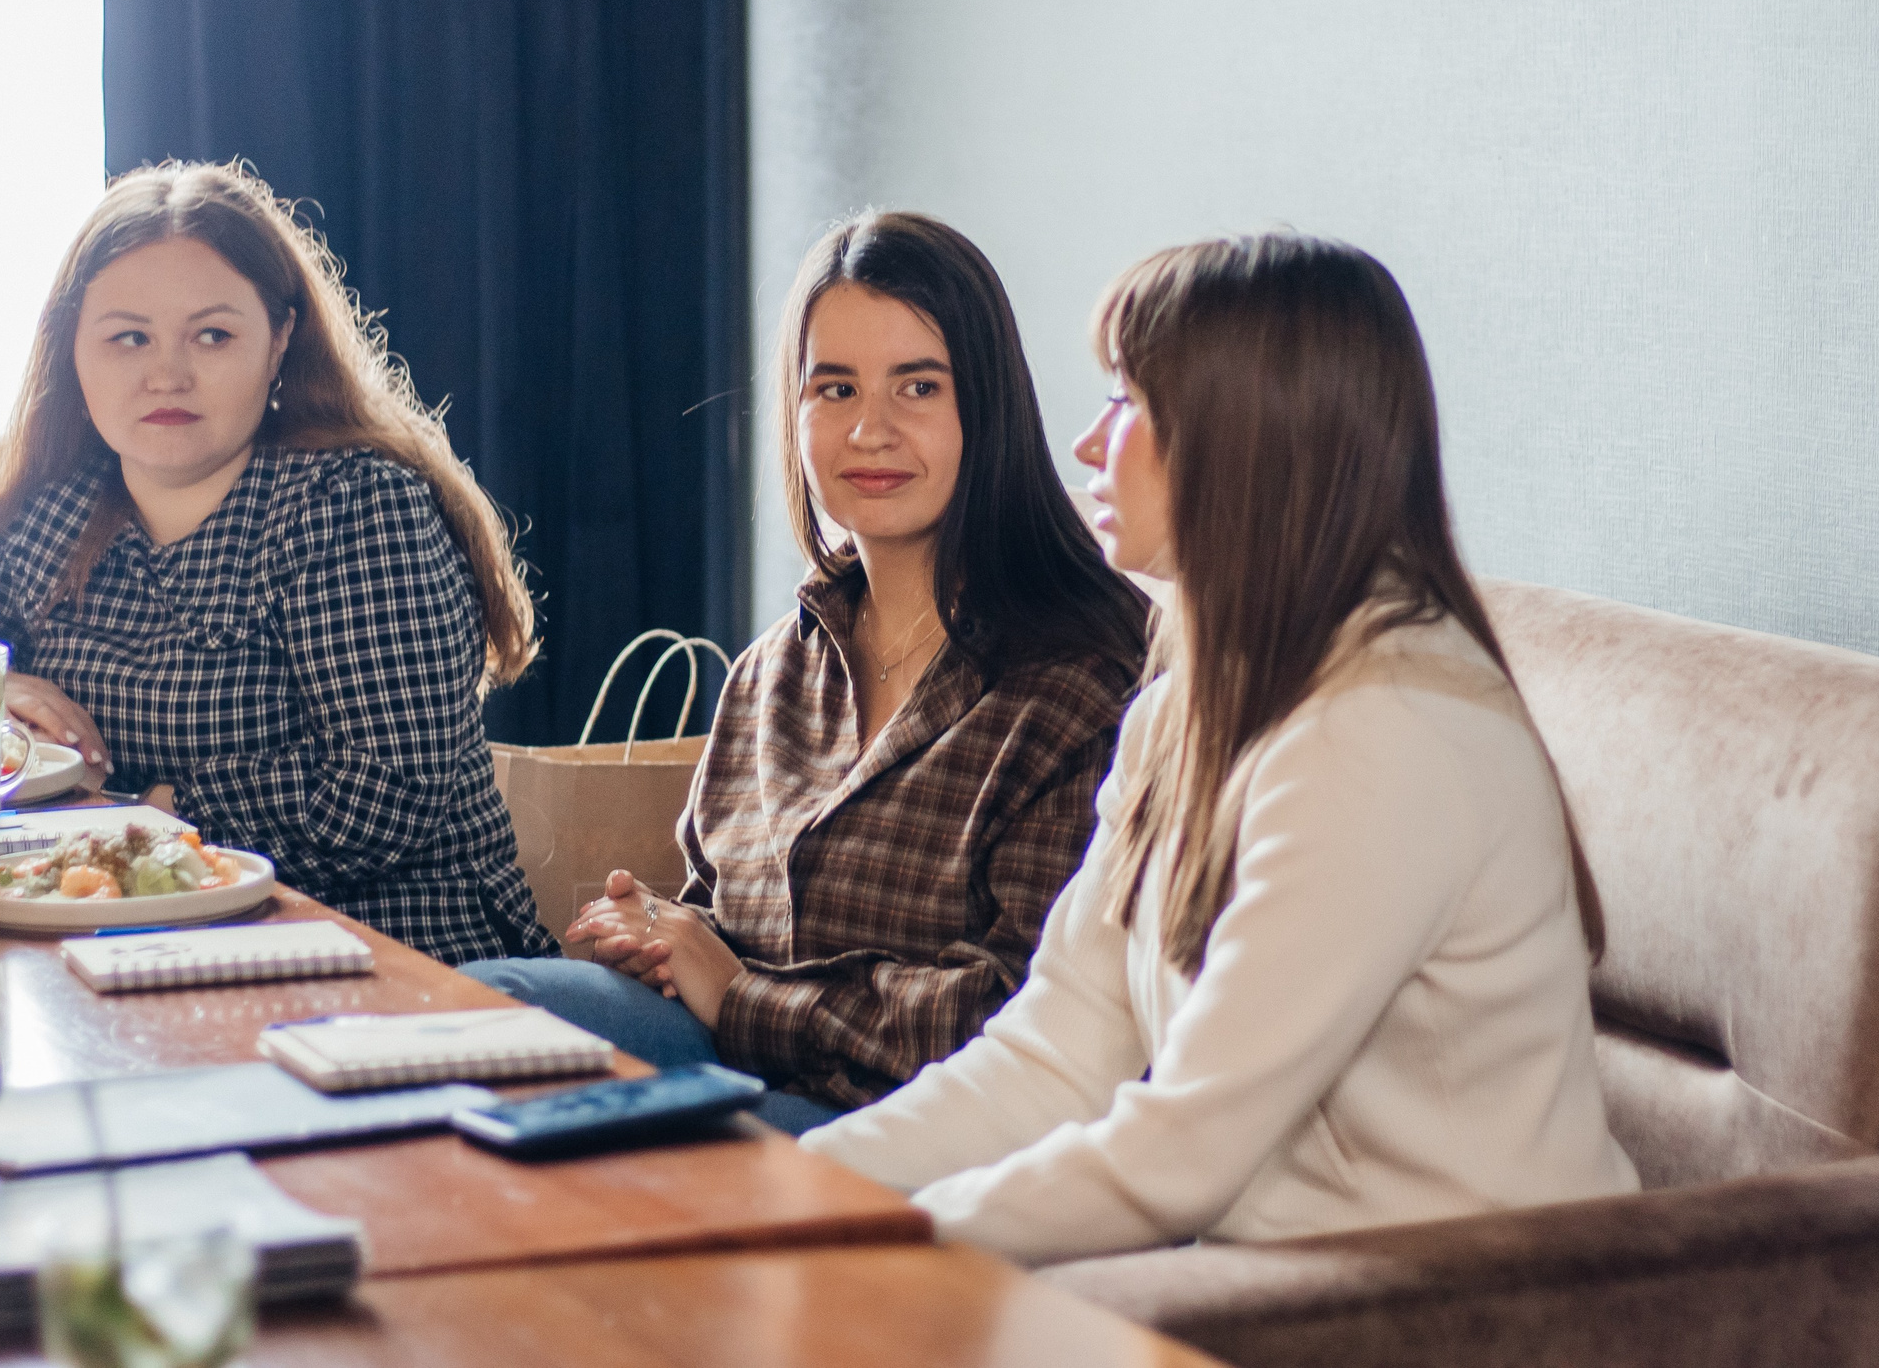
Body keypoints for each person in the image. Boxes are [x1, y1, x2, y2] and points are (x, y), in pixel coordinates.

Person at [800, 233, 1637, 1263]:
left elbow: (1179, 1155)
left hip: (1460, 1319)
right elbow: (1061, 1050)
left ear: (1247, 438)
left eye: (1127, 402)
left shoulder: (1385, 736)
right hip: (1262, 1287)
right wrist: (793, 1189)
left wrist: (851, 1239)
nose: (1087, 447)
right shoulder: (1187, 705)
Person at [464, 211, 1150, 1134]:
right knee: (481, 1012)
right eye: (834, 388)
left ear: (985, 406)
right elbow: (715, 920)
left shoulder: (1079, 686)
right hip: (738, 1070)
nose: (870, 428)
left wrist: (738, 992)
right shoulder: (770, 673)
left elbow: (1014, 1018)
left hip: (920, 1125)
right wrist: (657, 934)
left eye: (918, 385)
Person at [0, 161, 552, 964]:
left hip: (392, 951)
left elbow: (385, 789)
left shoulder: (356, 505)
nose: (167, 373)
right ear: (70, 348)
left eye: (213, 335)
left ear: (280, 340)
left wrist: (152, 812)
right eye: (129, 337)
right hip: (135, 945)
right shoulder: (59, 503)